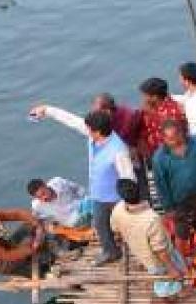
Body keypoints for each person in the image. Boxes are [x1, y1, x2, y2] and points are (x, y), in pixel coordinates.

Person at [27, 106, 135, 264]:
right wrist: (47, 110)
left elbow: (128, 177)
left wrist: (129, 202)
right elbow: (71, 121)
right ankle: (111, 252)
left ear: (98, 131)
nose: (86, 131)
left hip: (115, 196)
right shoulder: (95, 138)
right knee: (100, 223)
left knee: (124, 222)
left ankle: (135, 243)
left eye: (89, 129)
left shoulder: (118, 151)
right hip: (98, 195)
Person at [110, 179, 188, 304]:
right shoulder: (151, 219)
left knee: (162, 270)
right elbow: (161, 250)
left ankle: (168, 291)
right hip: (157, 259)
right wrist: (171, 269)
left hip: (140, 251)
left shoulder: (118, 209)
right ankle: (164, 300)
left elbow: (115, 230)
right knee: (165, 278)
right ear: (140, 192)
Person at [152, 119, 196, 248]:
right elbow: (161, 185)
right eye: (168, 139)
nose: (172, 141)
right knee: (181, 229)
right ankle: (182, 257)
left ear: (181, 133)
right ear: (163, 138)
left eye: (175, 137)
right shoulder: (159, 158)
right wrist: (168, 208)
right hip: (177, 199)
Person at [0, 206, 48, 276]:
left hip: (6, 245)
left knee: (29, 225)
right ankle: (39, 270)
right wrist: (32, 248)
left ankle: (33, 251)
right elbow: (6, 255)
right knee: (41, 271)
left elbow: (17, 214)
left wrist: (35, 222)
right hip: (1, 261)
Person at [91, 93, 145, 182]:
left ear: (107, 111)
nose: (95, 114)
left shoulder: (129, 118)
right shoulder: (112, 117)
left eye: (97, 111)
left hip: (136, 154)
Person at [138, 78, 188, 166]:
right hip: (157, 156)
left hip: (170, 159)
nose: (144, 98)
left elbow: (175, 140)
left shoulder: (171, 113)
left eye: (146, 96)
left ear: (155, 97)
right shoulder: (150, 107)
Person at [27, 176, 91, 229]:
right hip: (72, 220)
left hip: (81, 205)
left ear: (45, 185)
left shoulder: (59, 182)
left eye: (43, 193)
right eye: (39, 197)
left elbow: (78, 189)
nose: (44, 198)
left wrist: (84, 198)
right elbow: (35, 218)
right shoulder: (37, 205)